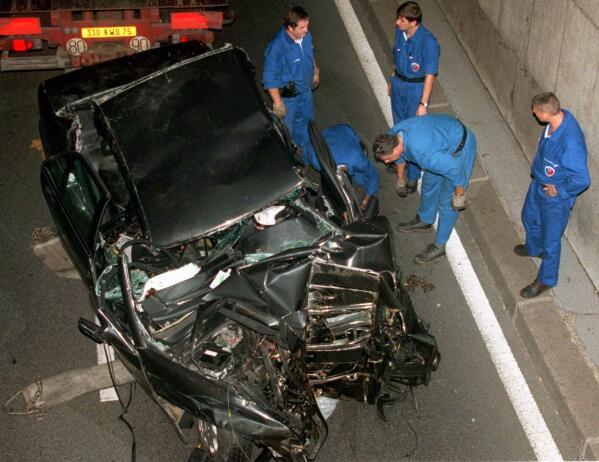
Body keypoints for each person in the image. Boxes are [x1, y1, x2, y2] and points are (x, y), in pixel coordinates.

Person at [373, 114, 476, 263]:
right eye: (385, 160)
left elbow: (455, 170)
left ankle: (439, 246)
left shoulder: (423, 154)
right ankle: (425, 219)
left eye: (388, 158)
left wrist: (459, 195)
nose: (387, 162)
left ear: (398, 147)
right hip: (440, 142)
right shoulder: (393, 135)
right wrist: (401, 180)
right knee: (428, 185)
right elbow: (400, 158)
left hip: (459, 150)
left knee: (447, 203)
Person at [515, 93, 590, 298]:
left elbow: (582, 179)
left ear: (546, 113)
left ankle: (546, 279)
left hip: (555, 198)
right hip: (539, 185)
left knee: (552, 239)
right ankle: (534, 247)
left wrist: (560, 190)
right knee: (529, 217)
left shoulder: (571, 143)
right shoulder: (554, 123)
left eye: (536, 111)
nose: (533, 113)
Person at [388, 1, 440, 198]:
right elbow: (397, 56)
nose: (397, 22)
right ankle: (399, 163)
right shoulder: (400, 33)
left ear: (413, 22)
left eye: (402, 20)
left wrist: (423, 104)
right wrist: (392, 78)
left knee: (414, 133)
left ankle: (413, 174)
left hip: (415, 89)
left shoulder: (428, 43)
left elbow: (429, 75)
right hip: (399, 85)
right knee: (398, 128)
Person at [263, 6, 319, 166]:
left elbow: (310, 53)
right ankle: (289, 160)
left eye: (307, 25)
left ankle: (303, 150)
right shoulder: (277, 48)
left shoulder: (306, 37)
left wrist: (315, 70)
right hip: (288, 99)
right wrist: (278, 104)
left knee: (306, 122)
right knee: (287, 131)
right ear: (290, 27)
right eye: (302, 27)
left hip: (305, 92)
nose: (306, 30)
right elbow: (270, 79)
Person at [313, 124, 380, 209]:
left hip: (345, 130)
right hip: (327, 133)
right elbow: (311, 145)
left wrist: (365, 201)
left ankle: (358, 146)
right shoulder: (316, 161)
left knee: (360, 181)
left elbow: (373, 176)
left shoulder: (358, 160)